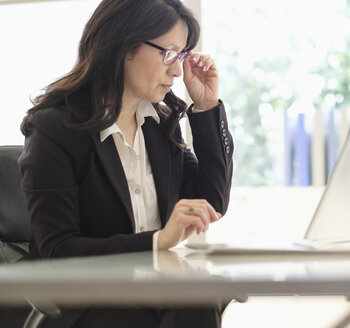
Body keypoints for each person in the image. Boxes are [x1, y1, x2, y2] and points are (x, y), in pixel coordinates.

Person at [16, 0, 233, 326]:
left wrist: (205, 106)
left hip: (156, 295)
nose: (176, 70)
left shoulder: (159, 126)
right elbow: (58, 251)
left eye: (182, 56)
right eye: (169, 53)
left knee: (198, 295)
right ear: (124, 44)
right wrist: (158, 242)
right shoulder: (53, 128)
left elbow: (210, 202)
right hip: (90, 303)